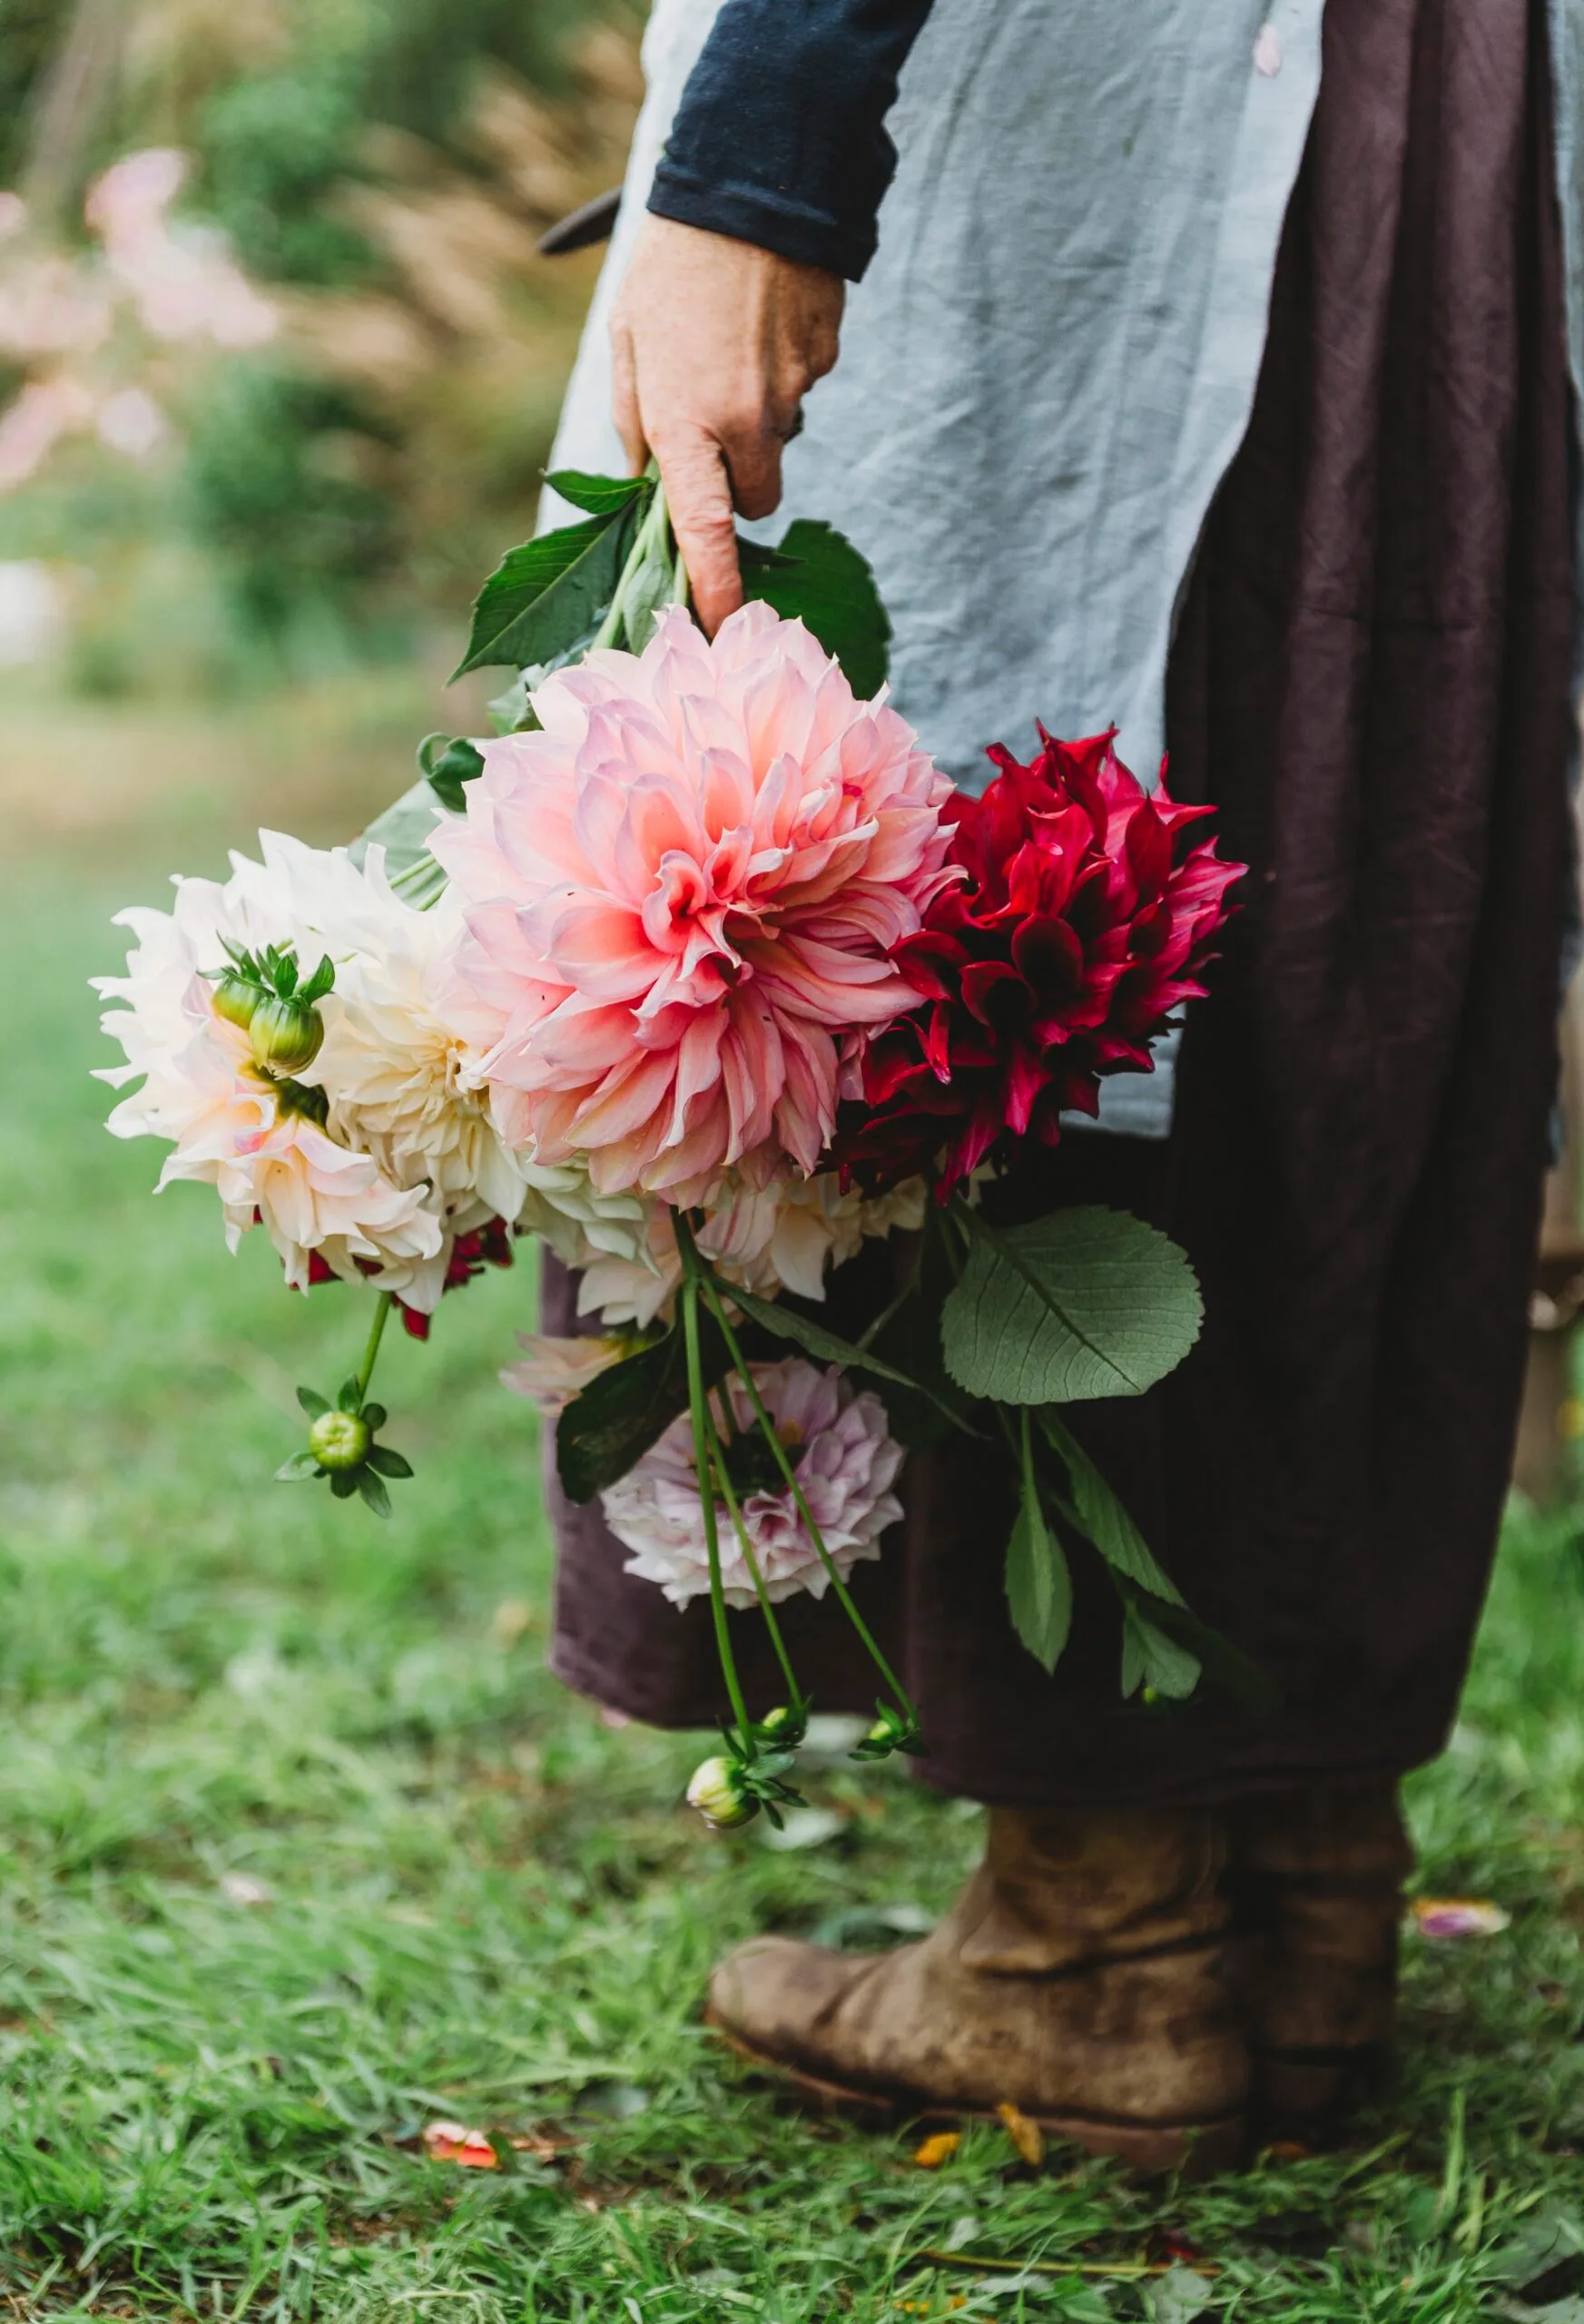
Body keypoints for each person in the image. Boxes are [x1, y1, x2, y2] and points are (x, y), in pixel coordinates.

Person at [538, 0, 1582, 2167]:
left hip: (1124, 71)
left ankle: (1087, 1940)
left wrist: (753, 160)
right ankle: (1292, 1880)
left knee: (993, 855)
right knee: (1334, 854)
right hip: (1449, 121)